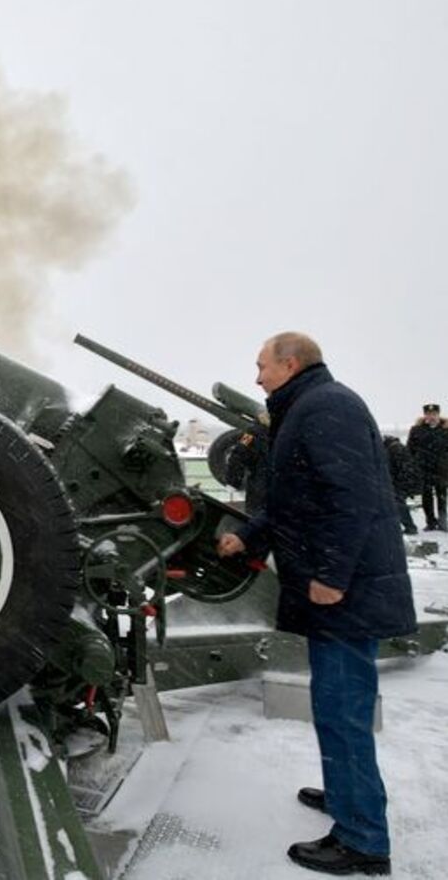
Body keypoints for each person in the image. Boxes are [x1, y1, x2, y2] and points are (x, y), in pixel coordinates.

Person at [216, 332, 415, 876]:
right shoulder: (310, 407)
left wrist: (331, 576)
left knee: (344, 710)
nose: (256, 377)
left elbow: (350, 501)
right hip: (344, 588)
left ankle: (363, 841)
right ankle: (346, 796)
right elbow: (296, 501)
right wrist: (251, 537)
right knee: (334, 705)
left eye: (261, 367)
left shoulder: (326, 408)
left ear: (290, 362)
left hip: (347, 591)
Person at [407, 403, 448, 531]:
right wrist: (413, 463)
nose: (431, 417)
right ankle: (430, 522)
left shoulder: (445, 430)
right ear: (425, 415)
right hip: (423, 469)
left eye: (434, 414)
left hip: (442, 470)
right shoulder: (416, 430)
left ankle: (442, 521)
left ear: (438, 414)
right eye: (429, 414)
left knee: (442, 497)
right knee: (426, 497)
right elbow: (410, 449)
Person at [383, 434, 420, 535]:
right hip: (401, 482)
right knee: (398, 505)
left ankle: (410, 527)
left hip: (399, 483)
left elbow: (400, 468)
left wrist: (396, 481)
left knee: (399, 505)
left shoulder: (394, 449)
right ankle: (408, 526)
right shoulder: (396, 448)